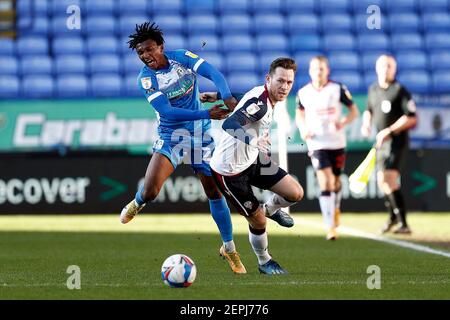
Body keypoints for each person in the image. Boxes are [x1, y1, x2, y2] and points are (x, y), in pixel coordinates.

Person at [120, 22, 247, 274]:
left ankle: (230, 248)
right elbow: (167, 111)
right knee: (151, 191)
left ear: (161, 47)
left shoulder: (181, 58)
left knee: (214, 192)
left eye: (149, 50)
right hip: (171, 136)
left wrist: (226, 94)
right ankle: (137, 202)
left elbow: (213, 72)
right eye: (140, 53)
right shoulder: (146, 79)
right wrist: (206, 113)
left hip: (201, 138)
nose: (146, 56)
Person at [209, 58, 304, 275]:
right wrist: (254, 141)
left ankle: (270, 209)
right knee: (257, 220)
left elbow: (243, 98)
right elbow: (229, 123)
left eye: (289, 82)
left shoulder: (261, 95)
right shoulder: (261, 104)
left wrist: (217, 96)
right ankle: (264, 261)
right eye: (280, 81)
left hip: (252, 160)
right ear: (268, 79)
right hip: (229, 171)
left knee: (295, 193)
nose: (285, 87)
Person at [295, 56, 359, 241]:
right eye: (315, 68)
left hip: (337, 142)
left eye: (322, 68)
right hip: (317, 143)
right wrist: (303, 128)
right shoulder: (304, 92)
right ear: (310, 71)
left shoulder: (338, 88)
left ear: (327, 70)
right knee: (326, 182)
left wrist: (343, 122)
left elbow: (354, 111)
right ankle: (330, 226)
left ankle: (336, 209)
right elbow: (300, 114)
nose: (318, 72)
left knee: (336, 182)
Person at [361, 54, 417, 235]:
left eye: (390, 66)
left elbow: (411, 117)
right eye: (383, 65)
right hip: (381, 144)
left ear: (394, 69)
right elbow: (369, 110)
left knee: (388, 179)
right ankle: (393, 218)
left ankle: (403, 223)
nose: (386, 69)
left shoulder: (400, 90)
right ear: (377, 68)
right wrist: (366, 123)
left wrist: (390, 131)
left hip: (397, 142)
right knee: (382, 182)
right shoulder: (373, 90)